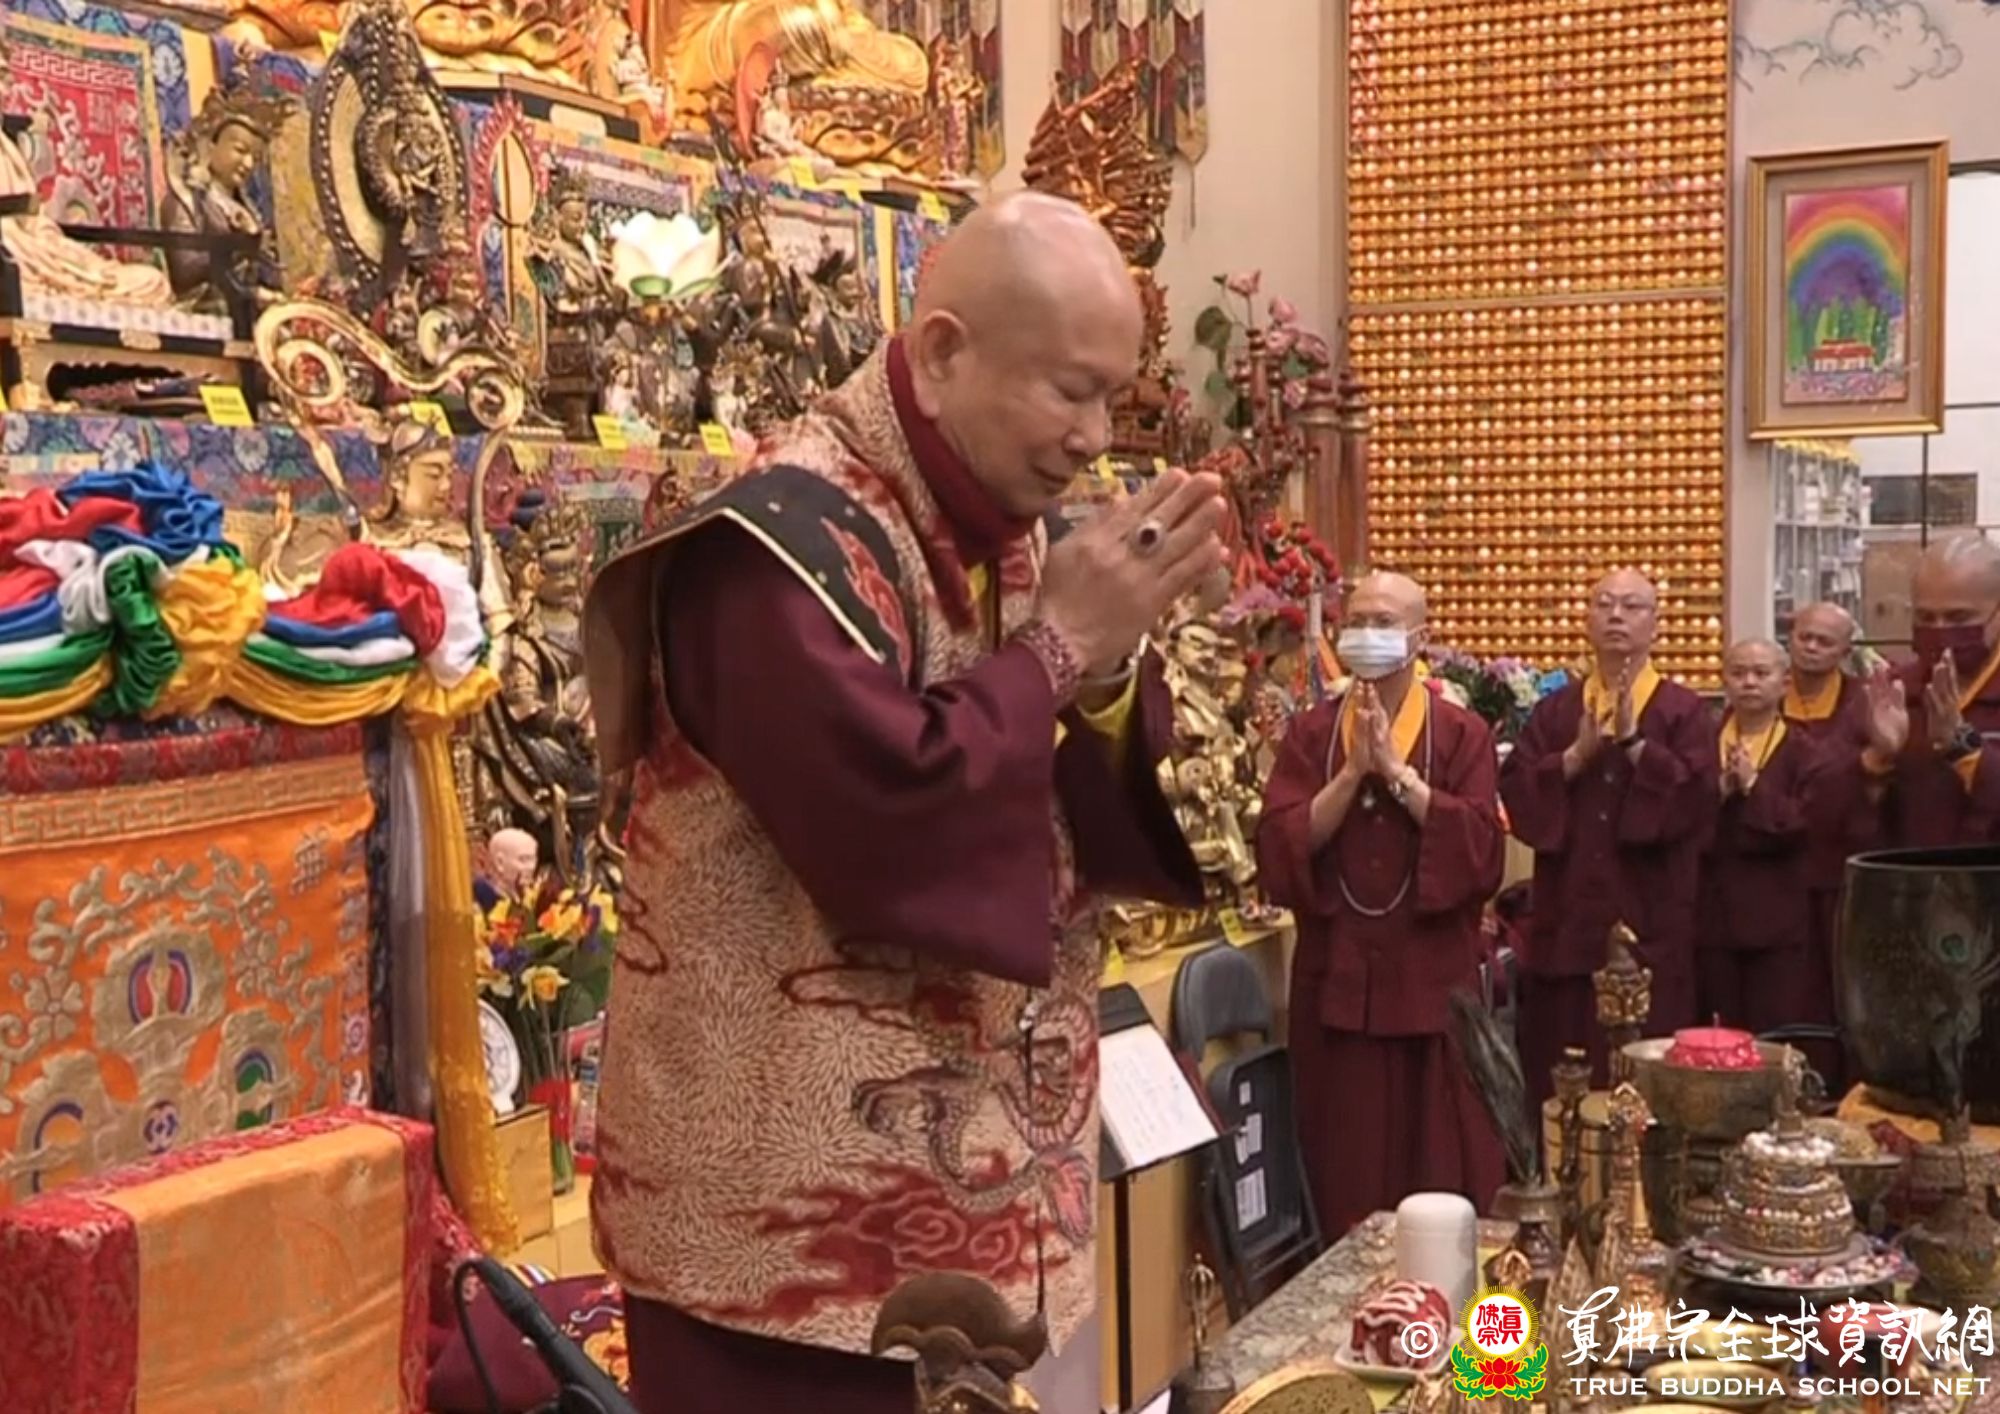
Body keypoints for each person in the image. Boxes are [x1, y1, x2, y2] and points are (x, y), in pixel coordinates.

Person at [580, 191, 1219, 1414]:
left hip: (972, 1221)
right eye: (1070, 391)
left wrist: (1103, 659)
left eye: (1114, 399)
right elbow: (885, 834)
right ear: (939, 354)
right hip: (786, 1260)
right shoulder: (776, 548)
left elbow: (1059, 789)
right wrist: (1057, 650)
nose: (1095, 438)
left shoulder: (1002, 524)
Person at [1256, 571, 1507, 1238]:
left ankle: (1447, 1295)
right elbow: (1278, 847)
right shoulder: (1312, 735)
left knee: (1439, 1174)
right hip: (1337, 983)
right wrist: (1351, 774)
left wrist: (1397, 776)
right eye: (1358, 621)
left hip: (1431, 983)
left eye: (1385, 622)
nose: (1368, 634)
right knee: (1344, 1168)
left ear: (1421, 637)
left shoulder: (1460, 734)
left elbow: (1483, 851)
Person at [1499, 569, 1717, 1110]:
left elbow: (1699, 799)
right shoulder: (1557, 711)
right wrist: (1574, 758)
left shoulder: (1682, 710)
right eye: (1605, 604)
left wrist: (1637, 746)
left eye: (1632, 606)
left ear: (1655, 625)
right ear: (1588, 620)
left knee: (1649, 1074)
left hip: (1651, 921)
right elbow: (1517, 793)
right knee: (1564, 1074)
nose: (1616, 615)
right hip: (1567, 922)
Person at [1697, 640, 1840, 1037]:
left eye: (1761, 674)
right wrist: (1719, 792)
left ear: (1785, 682)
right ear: (1724, 680)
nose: (1749, 683)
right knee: (1717, 1031)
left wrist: (1753, 785)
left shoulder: (1805, 750)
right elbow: (1679, 815)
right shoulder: (1703, 741)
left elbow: (1807, 822)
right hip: (1712, 914)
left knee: (1775, 1030)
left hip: (1777, 914)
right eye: (1738, 673)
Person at [1854, 532, 2000, 847]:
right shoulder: (1892, 692)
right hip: (1911, 875)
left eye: (1959, 617)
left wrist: (1963, 747)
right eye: (1925, 617)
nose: (1940, 630)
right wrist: (1877, 759)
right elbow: (1829, 822)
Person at [1784, 602, 1865, 737]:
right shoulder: (1766, 693)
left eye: (1825, 642)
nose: (1811, 647)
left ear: (1846, 652)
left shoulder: (1862, 700)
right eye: (1804, 638)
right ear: (1790, 641)